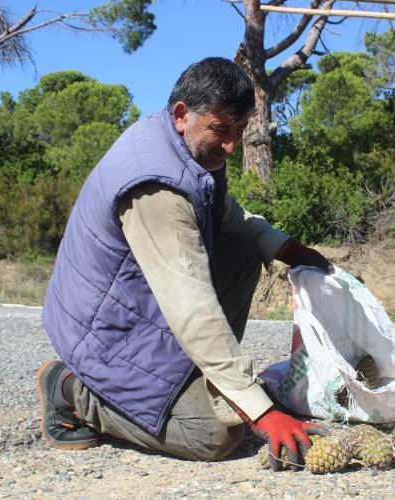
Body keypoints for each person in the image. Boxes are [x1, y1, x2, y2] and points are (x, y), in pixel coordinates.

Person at [36, 57, 332, 471]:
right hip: (105, 334)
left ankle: (203, 378)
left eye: (240, 131)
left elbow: (226, 212)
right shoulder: (156, 187)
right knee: (214, 435)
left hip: (135, 303)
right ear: (181, 115)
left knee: (246, 248)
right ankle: (69, 389)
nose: (232, 146)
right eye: (221, 130)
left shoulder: (185, 148)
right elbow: (192, 308)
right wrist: (261, 412)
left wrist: (286, 248)